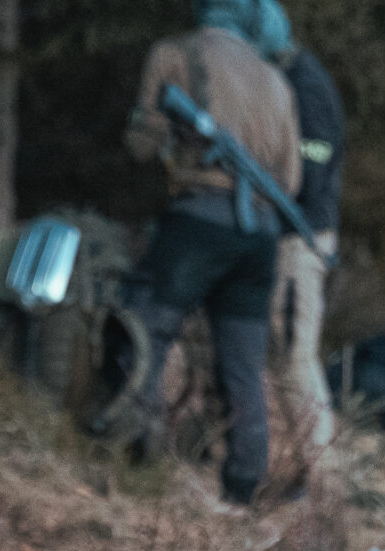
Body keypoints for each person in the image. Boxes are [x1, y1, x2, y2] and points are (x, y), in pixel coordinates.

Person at [122, 0, 301, 507]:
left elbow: (141, 141)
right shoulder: (275, 81)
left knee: (145, 330)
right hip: (260, 235)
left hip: (200, 219)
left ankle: (136, 452)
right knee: (243, 363)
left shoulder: (174, 52)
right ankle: (244, 483)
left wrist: (162, 143)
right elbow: (290, 181)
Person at [255, 2, 342, 450]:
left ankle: (320, 476)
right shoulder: (285, 79)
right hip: (284, 237)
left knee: (294, 358)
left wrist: (268, 185)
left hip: (300, 239)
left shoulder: (306, 86)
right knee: (282, 358)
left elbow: (312, 170)